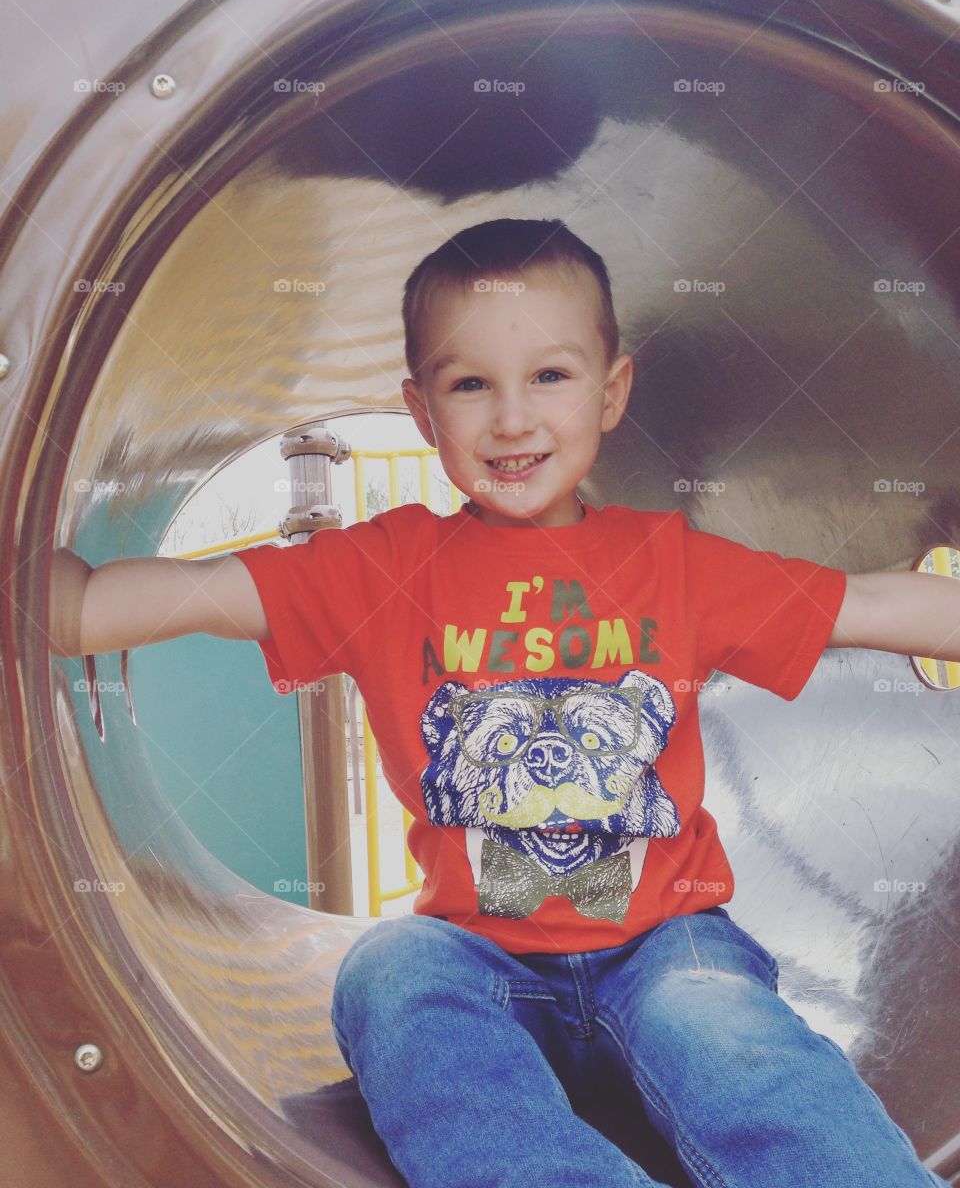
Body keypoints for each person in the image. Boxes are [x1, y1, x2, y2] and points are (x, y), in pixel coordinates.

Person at [49, 218, 955, 1188]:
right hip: (481, 959)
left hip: (667, 946)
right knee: (392, 968)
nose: (513, 419)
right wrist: (49, 565)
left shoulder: (671, 564)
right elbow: (124, 604)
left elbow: (865, 604)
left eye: (551, 377)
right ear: (420, 408)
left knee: (736, 1042)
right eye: (470, 383)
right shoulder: (381, 568)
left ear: (612, 392)